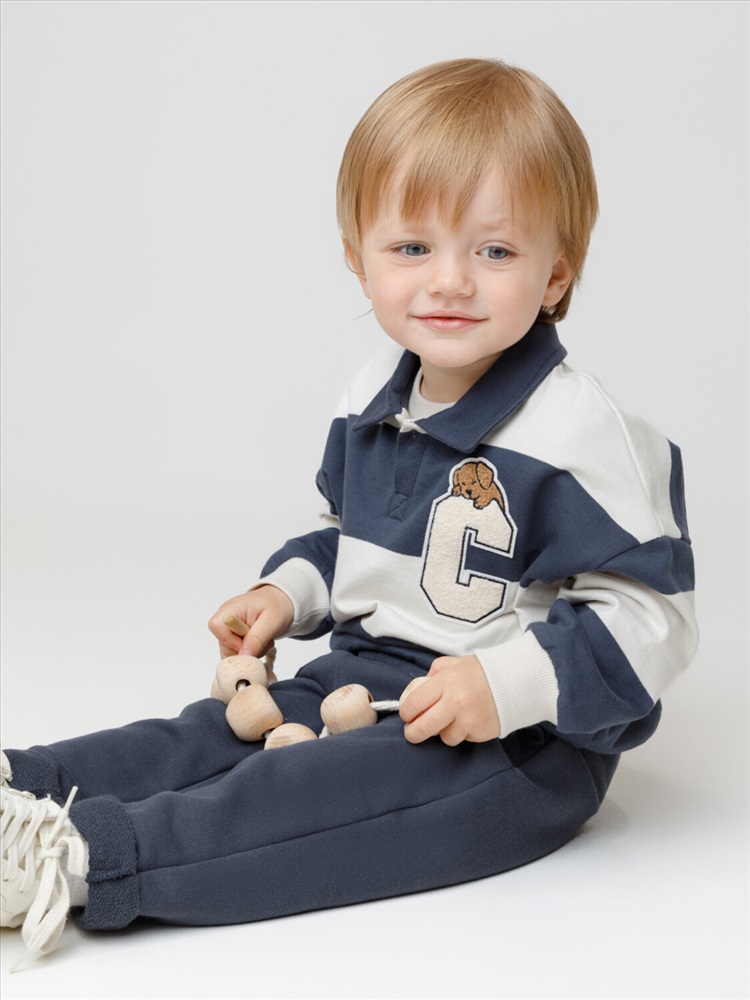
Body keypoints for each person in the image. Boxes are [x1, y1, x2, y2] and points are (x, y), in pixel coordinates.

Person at [1, 58, 698, 964]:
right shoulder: (374, 395)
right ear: (357, 259)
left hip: (511, 743)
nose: (449, 281)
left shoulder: (582, 435)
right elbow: (353, 541)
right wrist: (286, 594)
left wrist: (505, 686)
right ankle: (27, 785)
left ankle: (79, 861)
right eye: (412, 249)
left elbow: (652, 618)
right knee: (203, 736)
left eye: (494, 252)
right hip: (361, 678)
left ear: (557, 273)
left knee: (309, 798)